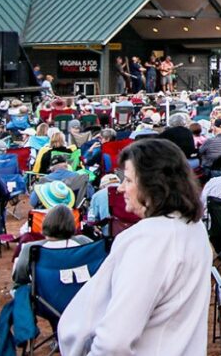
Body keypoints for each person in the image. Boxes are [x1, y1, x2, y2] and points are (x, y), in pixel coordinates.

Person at [58, 138, 211, 356]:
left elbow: (114, 341)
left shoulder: (148, 240)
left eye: (128, 180)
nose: (121, 188)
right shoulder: (193, 228)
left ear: (153, 185)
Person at [13, 204, 91, 285]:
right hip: (80, 292)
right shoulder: (84, 242)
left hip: (44, 295)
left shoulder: (31, 248)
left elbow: (19, 278)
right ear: (72, 224)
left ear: (46, 223)